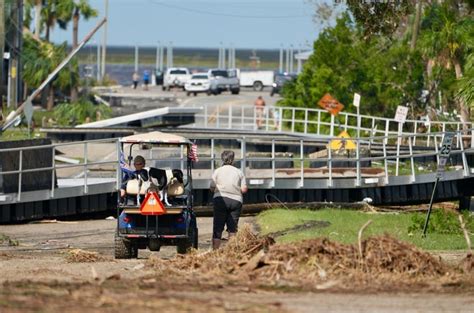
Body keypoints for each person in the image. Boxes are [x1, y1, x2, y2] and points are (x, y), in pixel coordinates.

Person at [210, 150, 248, 250]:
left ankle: (215, 252)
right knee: (233, 229)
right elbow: (244, 189)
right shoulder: (239, 172)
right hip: (236, 201)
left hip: (220, 199)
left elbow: (211, 187)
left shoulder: (217, 171)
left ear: (222, 159)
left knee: (218, 228)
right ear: (233, 159)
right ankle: (231, 252)